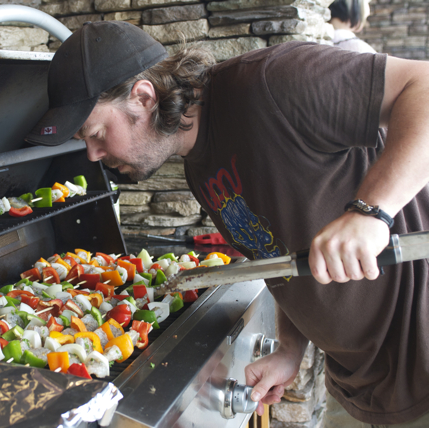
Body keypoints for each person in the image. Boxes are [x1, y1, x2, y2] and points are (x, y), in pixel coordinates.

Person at [26, 21, 429, 426]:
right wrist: (291, 347)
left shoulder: (272, 82)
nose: (92, 154)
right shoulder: (199, 168)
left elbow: (423, 85)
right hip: (372, 382)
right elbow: (281, 255)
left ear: (143, 97)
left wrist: (371, 212)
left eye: (97, 132)